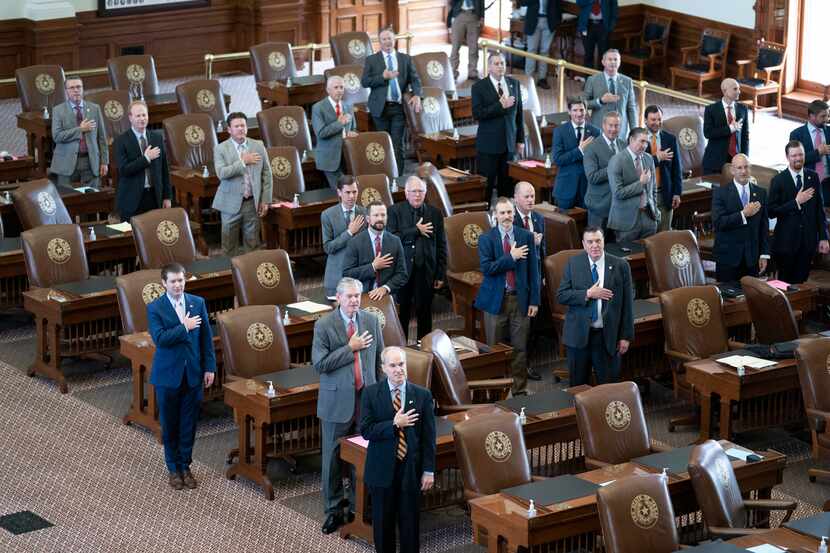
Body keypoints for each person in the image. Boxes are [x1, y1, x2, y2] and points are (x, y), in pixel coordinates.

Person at [312, 277, 384, 534]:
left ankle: (357, 507)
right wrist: (349, 348)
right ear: (338, 298)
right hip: (336, 402)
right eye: (350, 296)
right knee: (332, 459)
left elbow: (378, 362)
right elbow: (320, 364)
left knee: (361, 458)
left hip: (364, 400)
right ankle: (333, 510)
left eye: (358, 296)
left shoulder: (371, 321)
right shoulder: (324, 325)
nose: (355, 301)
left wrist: (380, 398)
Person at [147, 262, 216, 491]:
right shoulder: (155, 307)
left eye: (181, 280)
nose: (178, 284)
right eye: (173, 281)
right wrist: (184, 327)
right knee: (170, 424)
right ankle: (173, 469)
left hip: (193, 374)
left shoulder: (198, 303)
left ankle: (186, 466)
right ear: (164, 283)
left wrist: (210, 367)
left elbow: (206, 338)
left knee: (188, 424)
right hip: (168, 376)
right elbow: (160, 339)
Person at [360, 346, 436, 553]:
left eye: (401, 364)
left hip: (410, 470)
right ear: (383, 368)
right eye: (392, 365)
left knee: (410, 526)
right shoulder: (370, 394)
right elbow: (366, 430)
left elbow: (429, 437)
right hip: (381, 471)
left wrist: (428, 470)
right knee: (383, 527)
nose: (398, 369)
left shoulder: (422, 395)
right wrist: (394, 424)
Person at [474, 197, 540, 395]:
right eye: (502, 213)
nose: (506, 217)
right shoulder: (486, 239)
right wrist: (511, 257)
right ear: (495, 215)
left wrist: (534, 301)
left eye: (509, 212)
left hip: (520, 300)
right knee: (496, 350)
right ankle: (497, 392)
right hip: (496, 301)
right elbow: (488, 269)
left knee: (520, 348)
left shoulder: (525, 236)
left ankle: (519, 392)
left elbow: (533, 272)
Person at [557, 227, 633, 385]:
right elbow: (561, 295)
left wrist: (626, 336)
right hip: (579, 337)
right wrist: (587, 293)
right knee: (578, 388)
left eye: (598, 241)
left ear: (604, 241)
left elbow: (627, 304)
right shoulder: (574, 263)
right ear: (584, 244)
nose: (595, 245)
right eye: (590, 242)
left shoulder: (620, 265)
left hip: (607, 337)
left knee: (608, 388)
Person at [387, 176, 447, 340]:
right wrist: (416, 230)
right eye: (413, 191)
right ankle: (400, 349)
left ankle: (425, 350)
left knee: (425, 311)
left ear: (425, 193)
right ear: (406, 193)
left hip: (426, 271)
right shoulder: (394, 211)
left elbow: (441, 245)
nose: (417, 194)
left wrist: (440, 274)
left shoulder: (435, 213)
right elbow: (391, 238)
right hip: (402, 271)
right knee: (402, 312)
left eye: (420, 191)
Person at [361, 27, 423, 176]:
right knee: (383, 144)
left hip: (398, 108)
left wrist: (417, 94)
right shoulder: (372, 60)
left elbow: (415, 79)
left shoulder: (405, 59)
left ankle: (398, 178)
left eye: (390, 38)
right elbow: (364, 82)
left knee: (397, 145)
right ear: (379, 42)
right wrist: (383, 77)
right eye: (384, 39)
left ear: (394, 40)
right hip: (379, 109)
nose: (387, 42)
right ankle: (385, 176)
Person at [768, 140, 829, 284]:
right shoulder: (778, 180)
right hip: (785, 243)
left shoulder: (813, 177)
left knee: (802, 284)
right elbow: (771, 211)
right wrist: (796, 202)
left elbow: (819, 210)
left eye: (800, 154)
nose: (798, 158)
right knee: (785, 285)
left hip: (808, 242)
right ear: (787, 157)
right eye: (794, 155)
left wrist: (823, 237)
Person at [213, 112, 273, 256]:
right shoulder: (220, 149)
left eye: (243, 125)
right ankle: (230, 274)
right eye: (237, 126)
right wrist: (243, 162)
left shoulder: (258, 145)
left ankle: (250, 276)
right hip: (229, 204)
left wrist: (265, 200)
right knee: (229, 246)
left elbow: (267, 174)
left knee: (252, 244)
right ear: (229, 130)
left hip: (252, 203)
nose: (241, 129)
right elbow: (222, 173)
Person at [472, 52, 525, 203]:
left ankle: (506, 216)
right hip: (489, 146)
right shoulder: (479, 87)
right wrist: (500, 106)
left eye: (502, 63)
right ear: (489, 67)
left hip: (509, 145)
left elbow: (519, 114)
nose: (500, 66)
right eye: (496, 63)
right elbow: (477, 114)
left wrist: (520, 140)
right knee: (486, 187)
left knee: (506, 187)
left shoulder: (514, 84)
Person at [711, 154, 769, 283]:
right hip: (728, 258)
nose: (743, 171)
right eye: (739, 168)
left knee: (752, 298)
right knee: (728, 299)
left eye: (746, 167)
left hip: (752, 259)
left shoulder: (761, 193)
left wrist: (764, 254)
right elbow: (719, 223)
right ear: (732, 170)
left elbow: (763, 227)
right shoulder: (720, 193)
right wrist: (743, 214)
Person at [114, 100, 172, 221]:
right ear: (130, 117)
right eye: (138, 116)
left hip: (154, 196)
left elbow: (164, 169)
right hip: (132, 199)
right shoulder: (121, 140)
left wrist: (167, 196)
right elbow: (124, 170)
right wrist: (146, 159)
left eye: (144, 115)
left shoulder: (157, 138)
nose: (142, 119)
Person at [343, 202, 409, 301]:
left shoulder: (395, 241)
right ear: (368, 219)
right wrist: (373, 267)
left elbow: (402, 274)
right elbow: (347, 274)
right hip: (363, 296)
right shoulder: (355, 242)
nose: (380, 219)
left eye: (383, 215)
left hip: (388, 295)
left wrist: (385, 288)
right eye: (376, 215)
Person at [512, 181, 545, 382]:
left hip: (535, 277)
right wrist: (530, 242)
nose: (531, 200)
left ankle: (528, 363)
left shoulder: (539, 218)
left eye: (533, 196)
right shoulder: (509, 219)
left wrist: (542, 276)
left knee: (533, 325)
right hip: (517, 279)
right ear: (516, 198)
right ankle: (518, 367)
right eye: (527, 196)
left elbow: (543, 251)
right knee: (519, 326)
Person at [50, 77, 108, 188]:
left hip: (90, 161)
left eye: (78, 87)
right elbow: (57, 136)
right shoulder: (58, 110)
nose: (76, 90)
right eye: (72, 88)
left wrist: (104, 162)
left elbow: (102, 138)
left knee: (92, 198)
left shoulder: (94, 108)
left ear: (82, 89)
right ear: (66, 91)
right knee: (68, 201)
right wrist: (80, 129)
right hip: (66, 162)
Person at [608, 127, 660, 242]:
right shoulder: (616, 161)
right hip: (626, 222)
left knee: (650, 257)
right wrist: (640, 183)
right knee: (628, 259)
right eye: (642, 141)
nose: (645, 145)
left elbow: (653, 189)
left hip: (649, 218)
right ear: (631, 140)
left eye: (647, 142)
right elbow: (618, 193)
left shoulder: (649, 158)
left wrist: (655, 211)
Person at [321, 176, 366, 298]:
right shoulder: (327, 215)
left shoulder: (365, 213)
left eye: (354, 192)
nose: (352, 196)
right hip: (336, 276)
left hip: (360, 277)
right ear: (339, 192)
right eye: (347, 192)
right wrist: (349, 233)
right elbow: (328, 247)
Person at [312, 75, 359, 190]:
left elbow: (353, 128)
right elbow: (321, 133)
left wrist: (351, 133)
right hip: (329, 158)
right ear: (328, 90)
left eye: (342, 87)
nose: (339, 90)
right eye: (336, 87)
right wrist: (340, 123)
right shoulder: (318, 108)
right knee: (343, 191)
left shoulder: (348, 106)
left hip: (347, 155)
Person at [552, 96, 600, 209]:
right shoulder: (559, 131)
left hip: (588, 189)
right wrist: (579, 151)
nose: (579, 114)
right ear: (569, 111)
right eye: (575, 110)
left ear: (586, 110)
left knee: (587, 226)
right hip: (565, 189)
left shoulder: (595, 132)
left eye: (582, 110)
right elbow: (558, 159)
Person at [583, 111, 626, 232]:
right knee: (596, 247)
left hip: (620, 207)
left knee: (617, 248)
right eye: (610, 125)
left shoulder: (624, 145)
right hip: (599, 207)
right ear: (603, 125)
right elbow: (592, 177)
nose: (613, 129)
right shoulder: (592, 148)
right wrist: (613, 167)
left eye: (616, 125)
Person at [644, 105, 683, 231]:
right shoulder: (637, 138)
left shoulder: (670, 139)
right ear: (645, 120)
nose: (657, 123)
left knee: (664, 235)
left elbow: (677, 168)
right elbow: (638, 166)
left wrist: (677, 192)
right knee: (648, 235)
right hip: (646, 195)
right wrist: (657, 158)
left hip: (665, 193)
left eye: (659, 119)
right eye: (653, 119)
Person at [583, 49, 638, 137]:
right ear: (603, 62)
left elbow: (631, 108)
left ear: (619, 62)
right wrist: (600, 101)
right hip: (599, 129)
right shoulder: (593, 80)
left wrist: (634, 131)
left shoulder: (627, 81)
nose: (613, 62)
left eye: (615, 59)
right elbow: (583, 104)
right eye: (610, 59)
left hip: (620, 131)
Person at [702, 78, 749, 175]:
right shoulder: (711, 109)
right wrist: (730, 128)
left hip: (736, 160)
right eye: (735, 89)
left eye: (739, 89)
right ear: (724, 91)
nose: (739, 92)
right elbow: (708, 133)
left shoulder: (742, 109)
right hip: (715, 161)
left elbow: (745, 136)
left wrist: (745, 157)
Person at [789, 100, 830, 201]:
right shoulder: (797, 134)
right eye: (823, 116)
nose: (827, 119)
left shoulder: (829, 131)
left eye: (828, 116)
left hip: (828, 181)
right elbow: (795, 162)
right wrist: (818, 153)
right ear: (812, 116)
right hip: (807, 183)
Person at [521, 0, 562, 89]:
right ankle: (528, 78)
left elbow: (558, 5)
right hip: (533, 20)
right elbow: (523, 2)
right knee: (531, 50)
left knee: (545, 51)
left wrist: (557, 22)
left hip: (549, 21)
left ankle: (542, 79)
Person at [447, 0, 485, 81]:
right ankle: (452, 73)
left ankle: (472, 73)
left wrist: (482, 17)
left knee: (473, 48)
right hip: (459, 15)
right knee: (455, 47)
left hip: (474, 16)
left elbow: (481, 2)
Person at [577, 0, 618, 69]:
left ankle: (602, 78)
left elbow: (614, 9)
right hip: (588, 25)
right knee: (588, 55)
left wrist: (610, 27)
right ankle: (588, 78)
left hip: (603, 26)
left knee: (604, 55)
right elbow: (579, 2)